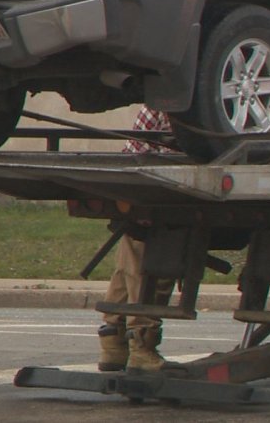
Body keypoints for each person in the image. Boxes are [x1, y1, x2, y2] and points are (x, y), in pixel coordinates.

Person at [98, 106, 175, 372]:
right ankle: (141, 345)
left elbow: (135, 148)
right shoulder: (200, 102)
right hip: (170, 193)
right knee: (154, 269)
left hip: (144, 186)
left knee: (129, 264)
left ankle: (114, 341)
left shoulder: (158, 101)